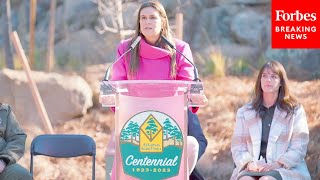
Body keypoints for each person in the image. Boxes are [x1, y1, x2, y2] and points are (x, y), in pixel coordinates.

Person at [102, 1, 207, 179]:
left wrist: (196, 96)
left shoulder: (180, 49)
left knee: (191, 145)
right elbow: (117, 86)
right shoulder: (126, 49)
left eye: (152, 17)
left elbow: (187, 86)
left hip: (169, 122)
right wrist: (110, 97)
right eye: (143, 18)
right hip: (134, 123)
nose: (147, 22)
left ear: (163, 22)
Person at [230, 61, 311, 180]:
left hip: (284, 168)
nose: (268, 80)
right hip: (251, 169)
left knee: (266, 179)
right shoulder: (244, 112)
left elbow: (299, 147)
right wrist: (249, 164)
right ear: (260, 81)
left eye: (273, 76)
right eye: (264, 76)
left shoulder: (294, 111)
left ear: (281, 83)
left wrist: (277, 164)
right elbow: (238, 147)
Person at [0, 103, 32, 180]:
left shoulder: (3, 111)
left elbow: (17, 138)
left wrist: (3, 161)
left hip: (2, 163)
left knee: (21, 175)